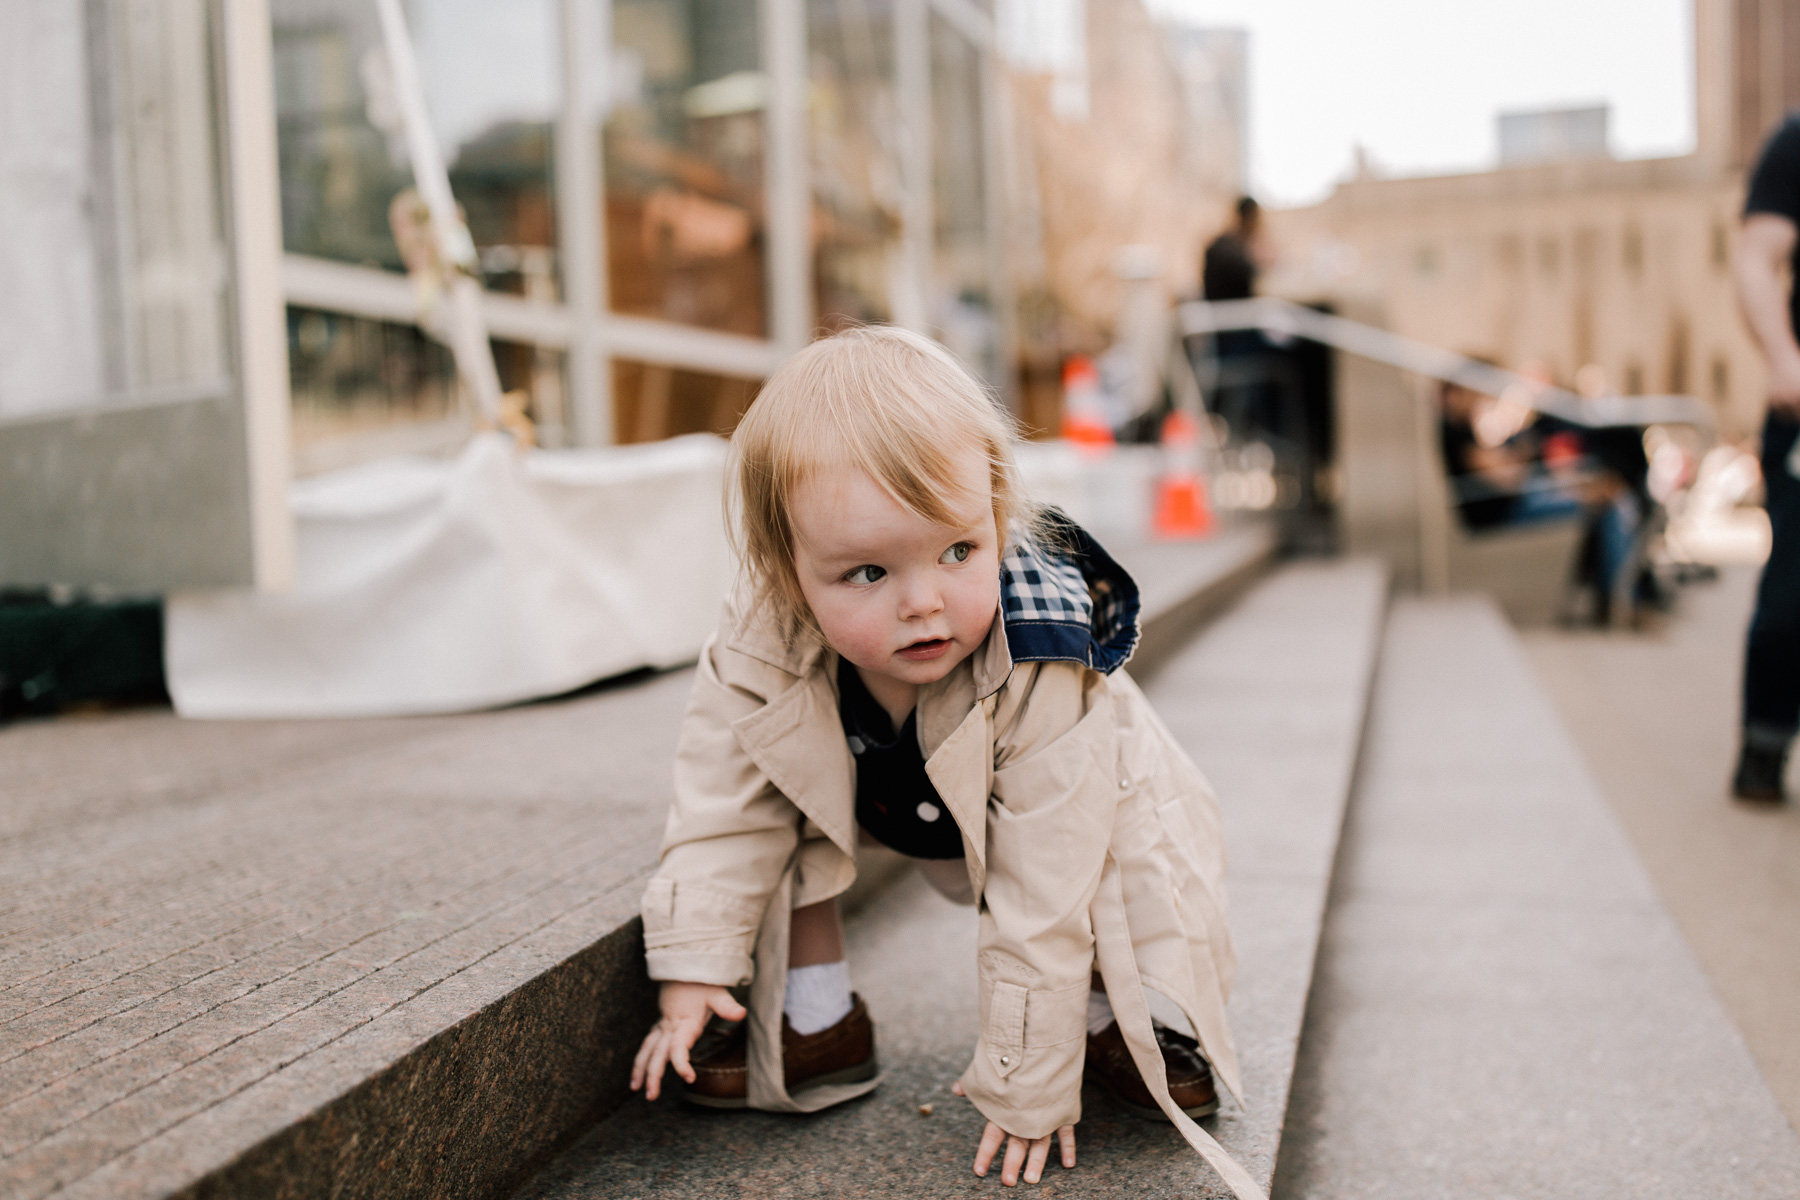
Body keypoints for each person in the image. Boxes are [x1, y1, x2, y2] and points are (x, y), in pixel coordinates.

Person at [626, 326, 1263, 1198]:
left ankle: (1104, 1016)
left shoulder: (1041, 655)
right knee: (778, 792)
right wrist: (694, 971)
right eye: (867, 573)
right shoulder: (760, 641)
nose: (924, 605)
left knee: (1105, 867)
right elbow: (721, 809)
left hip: (1076, 815)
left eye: (959, 551)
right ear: (785, 570)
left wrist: (1028, 1075)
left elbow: (1048, 878)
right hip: (879, 792)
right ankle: (817, 1022)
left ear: (996, 517)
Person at [1731, 115, 1800, 803]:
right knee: (1790, 601)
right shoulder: (1797, 140)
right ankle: (1766, 737)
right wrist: (1785, 358)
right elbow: (1756, 256)